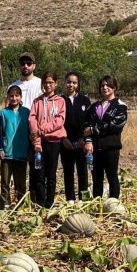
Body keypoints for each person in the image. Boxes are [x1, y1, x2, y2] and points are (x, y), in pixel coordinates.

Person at [84, 75, 127, 199]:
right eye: (102, 85)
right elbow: (86, 126)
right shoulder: (93, 107)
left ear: (114, 88)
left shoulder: (120, 106)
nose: (105, 87)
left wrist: (94, 129)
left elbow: (114, 126)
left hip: (111, 148)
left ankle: (113, 204)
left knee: (112, 176)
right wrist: (88, 140)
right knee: (96, 177)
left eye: (108, 85)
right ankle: (97, 204)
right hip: (95, 148)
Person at [30, 71, 66, 209]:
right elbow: (32, 120)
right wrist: (37, 140)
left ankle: (49, 202)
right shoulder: (37, 101)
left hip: (53, 142)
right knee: (39, 172)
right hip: (39, 143)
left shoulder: (60, 101)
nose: (48, 85)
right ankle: (40, 200)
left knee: (51, 173)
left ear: (56, 84)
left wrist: (43, 129)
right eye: (46, 82)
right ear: (42, 84)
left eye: (51, 82)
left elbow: (59, 121)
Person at [9, 52, 42, 201]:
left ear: (34, 65)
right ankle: (19, 196)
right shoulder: (13, 85)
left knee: (37, 164)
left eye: (29, 63)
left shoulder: (40, 83)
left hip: (36, 129)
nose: (26, 66)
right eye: (23, 63)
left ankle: (35, 195)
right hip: (18, 131)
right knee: (19, 164)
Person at [61, 72, 92, 204]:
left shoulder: (85, 100)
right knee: (68, 172)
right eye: (69, 82)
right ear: (65, 83)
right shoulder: (60, 100)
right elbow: (58, 122)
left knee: (83, 173)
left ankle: (84, 199)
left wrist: (84, 140)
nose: (71, 85)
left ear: (78, 84)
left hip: (81, 143)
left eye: (74, 82)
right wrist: (64, 139)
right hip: (66, 142)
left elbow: (89, 121)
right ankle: (70, 198)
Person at [0, 85, 30, 209]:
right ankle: (6, 202)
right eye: (11, 96)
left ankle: (21, 202)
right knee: (5, 180)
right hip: (7, 152)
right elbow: (0, 133)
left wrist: (30, 150)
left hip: (22, 151)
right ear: (8, 97)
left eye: (16, 95)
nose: (14, 98)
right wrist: (1, 148)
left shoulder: (26, 112)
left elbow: (30, 132)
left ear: (21, 97)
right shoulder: (3, 113)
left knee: (20, 180)